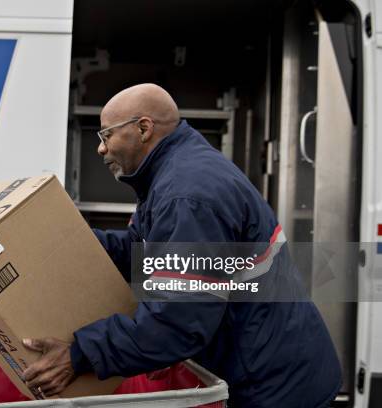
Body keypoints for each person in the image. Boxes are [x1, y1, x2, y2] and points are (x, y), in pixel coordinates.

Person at [22, 83, 342, 407]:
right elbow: (143, 251)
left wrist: (80, 353)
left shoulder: (187, 195)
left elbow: (176, 321)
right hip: (268, 368)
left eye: (106, 136)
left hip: (275, 387)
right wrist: (67, 242)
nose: (101, 149)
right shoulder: (174, 173)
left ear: (143, 128)